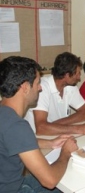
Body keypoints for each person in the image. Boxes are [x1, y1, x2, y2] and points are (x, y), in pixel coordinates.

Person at [0, 56, 78, 192]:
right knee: (65, 184)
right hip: (12, 189)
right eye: (37, 83)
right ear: (25, 87)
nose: (40, 88)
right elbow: (50, 181)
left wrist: (50, 143)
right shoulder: (16, 125)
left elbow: (13, 141)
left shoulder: (4, 114)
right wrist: (65, 153)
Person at [25, 52, 85, 136]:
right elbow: (41, 128)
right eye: (77, 74)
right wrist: (80, 128)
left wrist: (53, 126)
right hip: (37, 140)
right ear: (67, 75)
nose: (79, 78)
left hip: (58, 134)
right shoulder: (42, 88)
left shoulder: (70, 87)